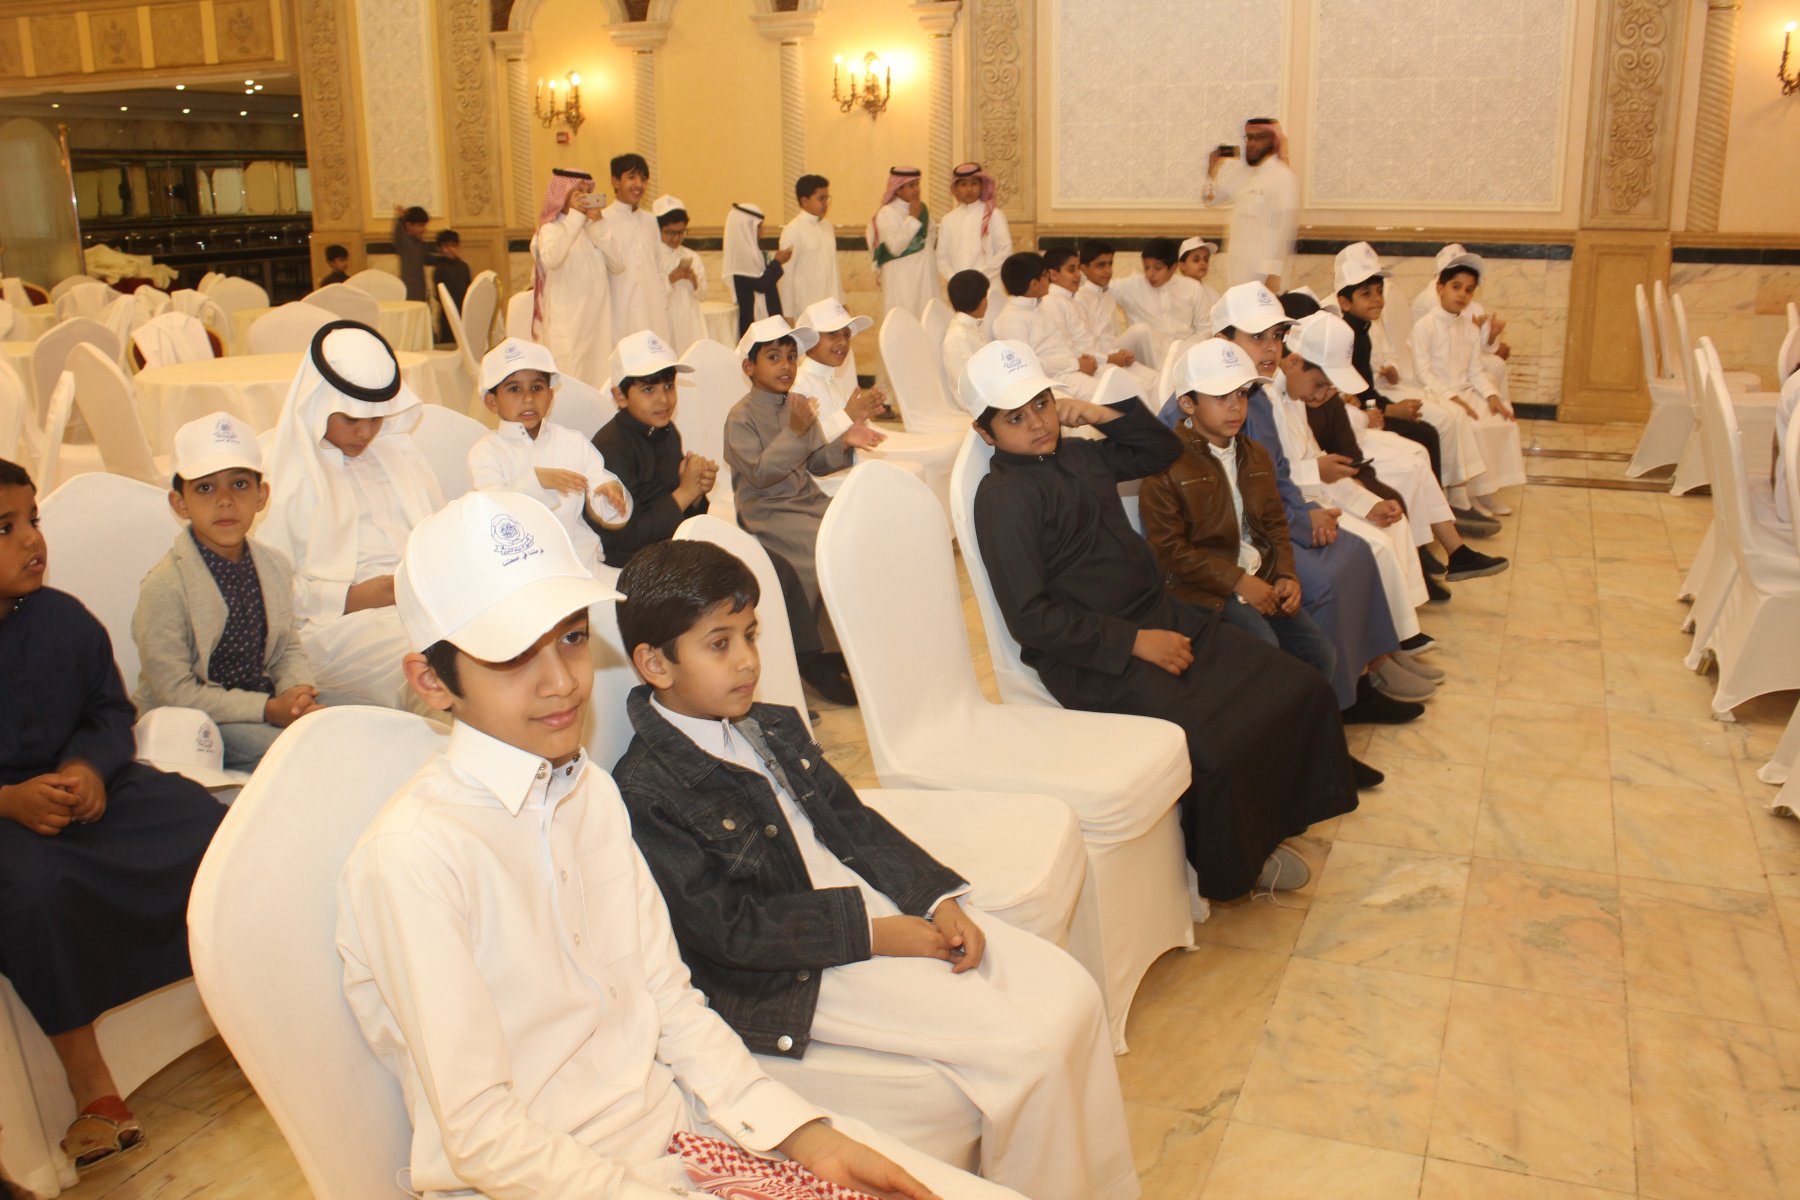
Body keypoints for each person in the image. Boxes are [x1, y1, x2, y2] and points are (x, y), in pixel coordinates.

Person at [338, 488, 1014, 1200]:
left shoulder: (588, 793)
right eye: (512, 656)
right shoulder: (416, 858)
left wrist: (806, 1138)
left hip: (677, 1132)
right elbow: (482, 1136)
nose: (561, 680)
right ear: (431, 680)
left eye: (571, 638)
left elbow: (668, 1001)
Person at [612, 539, 1138, 1200]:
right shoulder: (646, 790)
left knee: (1072, 993)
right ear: (655, 663)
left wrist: (935, 899)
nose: (747, 659)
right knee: (1025, 1054)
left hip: (872, 911)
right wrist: (878, 935)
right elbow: (731, 931)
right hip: (805, 969)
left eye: (750, 635)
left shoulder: (769, 725)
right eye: (719, 644)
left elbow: (853, 821)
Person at [961, 339, 1361, 898]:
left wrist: (1098, 414)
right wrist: (1134, 642)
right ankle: (1234, 865)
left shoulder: (1078, 455)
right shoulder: (1002, 499)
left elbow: (1159, 450)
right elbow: (1031, 619)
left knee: (1297, 686)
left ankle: (1270, 823)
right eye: (1015, 418)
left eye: (1043, 405)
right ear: (985, 433)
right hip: (1097, 657)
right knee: (1218, 745)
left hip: (1163, 615)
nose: (1038, 424)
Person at [0, 457, 225, 1172]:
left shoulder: (61, 617)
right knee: (34, 893)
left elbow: (107, 712)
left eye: (33, 519)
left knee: (205, 827)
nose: (31, 540)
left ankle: (243, 1007)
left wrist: (88, 770)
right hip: (6, 820)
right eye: (5, 528)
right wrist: (8, 799)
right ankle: (93, 1088)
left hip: (86, 792)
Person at [1215, 285, 1437, 707]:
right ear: (1222, 340)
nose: (1271, 348)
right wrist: (1299, 525)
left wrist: (1305, 517)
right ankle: (1348, 689)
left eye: (1277, 336)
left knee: (1358, 553)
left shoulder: (1259, 396)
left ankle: (1369, 669)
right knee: (1332, 576)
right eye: (1257, 337)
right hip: (1246, 537)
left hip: (1282, 516)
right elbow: (1239, 493)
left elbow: (1279, 475)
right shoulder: (1221, 400)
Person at [259, 321, 445, 715]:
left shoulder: (397, 451)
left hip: (427, 600)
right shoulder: (280, 473)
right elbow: (267, 589)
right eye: (350, 419)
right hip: (336, 625)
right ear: (318, 405)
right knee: (446, 665)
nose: (365, 432)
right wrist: (353, 597)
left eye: (375, 419)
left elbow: (441, 532)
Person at [1139, 339, 1338, 686]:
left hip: (1256, 577)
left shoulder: (1254, 454)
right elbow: (1169, 550)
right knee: (1266, 651)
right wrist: (1238, 580)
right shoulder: (1165, 463)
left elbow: (1274, 523)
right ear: (1187, 403)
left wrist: (1285, 574)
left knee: (1320, 655)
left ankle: (1300, 717)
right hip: (1200, 590)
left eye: (1242, 394)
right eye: (1221, 396)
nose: (1235, 406)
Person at [132, 412, 318, 772]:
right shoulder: (164, 586)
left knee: (360, 719)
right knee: (300, 754)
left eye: (240, 484)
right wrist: (269, 710)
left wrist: (297, 695)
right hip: (198, 719)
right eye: (205, 488)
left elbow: (287, 648)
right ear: (180, 503)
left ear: (261, 495)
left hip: (267, 701)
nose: (225, 500)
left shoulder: (274, 565)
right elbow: (175, 691)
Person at [723, 315, 878, 706]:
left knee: (852, 538)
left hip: (806, 499)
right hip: (767, 511)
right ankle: (811, 656)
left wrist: (845, 443)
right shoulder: (740, 417)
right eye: (774, 357)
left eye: (791, 357)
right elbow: (760, 474)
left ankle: (842, 641)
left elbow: (817, 463)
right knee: (814, 553)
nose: (786, 366)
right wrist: (794, 431)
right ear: (749, 367)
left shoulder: (797, 405)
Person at [469, 338, 631, 570]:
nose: (528, 398)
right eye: (514, 389)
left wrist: (611, 495)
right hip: (522, 568)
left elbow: (603, 490)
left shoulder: (572, 441)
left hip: (582, 561)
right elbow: (499, 517)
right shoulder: (485, 453)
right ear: (492, 402)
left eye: (537, 388)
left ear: (550, 396)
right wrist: (537, 482)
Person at [1409, 249, 1526, 519]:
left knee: (1500, 419)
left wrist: (1492, 396)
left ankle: (1485, 490)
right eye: (1456, 287)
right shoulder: (1424, 326)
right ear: (1440, 288)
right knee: (1471, 425)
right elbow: (1423, 373)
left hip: (1465, 391)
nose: (1462, 294)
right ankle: (1463, 495)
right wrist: (1453, 398)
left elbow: (1475, 371)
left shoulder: (1469, 328)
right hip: (1434, 394)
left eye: (1469, 290)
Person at [591, 330, 715, 568]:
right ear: (620, 396)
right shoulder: (611, 448)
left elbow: (682, 514)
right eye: (649, 389)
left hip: (673, 547)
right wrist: (685, 492)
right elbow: (626, 536)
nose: (664, 399)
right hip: (634, 564)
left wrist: (697, 490)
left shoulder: (666, 431)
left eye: (668, 386)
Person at [1331, 242, 1446, 485]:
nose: (1377, 299)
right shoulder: (1346, 336)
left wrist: (1392, 408)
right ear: (1344, 302)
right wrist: (1391, 410)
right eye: (1366, 294)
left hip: (1367, 410)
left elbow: (1366, 389)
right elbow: (1350, 395)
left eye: (1379, 291)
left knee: (1427, 432)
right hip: (1352, 420)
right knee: (1425, 435)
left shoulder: (1362, 331)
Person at [530, 167, 622, 391]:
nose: (584, 197)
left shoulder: (594, 228)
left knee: (600, 378)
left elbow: (618, 264)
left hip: (598, 324)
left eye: (587, 192)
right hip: (569, 323)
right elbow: (553, 259)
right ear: (562, 195)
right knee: (572, 380)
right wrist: (575, 218)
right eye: (577, 192)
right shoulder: (550, 229)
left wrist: (598, 225)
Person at [1042, 245, 1157, 393]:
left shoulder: (1071, 300)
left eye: (1078, 269)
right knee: (1140, 388)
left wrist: (1117, 354)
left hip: (1098, 359)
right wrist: (1109, 359)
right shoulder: (1052, 302)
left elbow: (1094, 342)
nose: (1078, 274)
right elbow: (1070, 350)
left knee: (1155, 380)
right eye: (1072, 270)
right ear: (1053, 274)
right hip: (1081, 366)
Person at [1203, 117, 1300, 291]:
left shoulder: (1283, 177)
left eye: (1259, 138)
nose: (1252, 144)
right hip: (1238, 270)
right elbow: (1211, 200)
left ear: (1273, 141)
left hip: (1264, 278)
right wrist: (1212, 170)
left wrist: (1273, 274)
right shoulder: (1245, 175)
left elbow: (1283, 230)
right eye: (1249, 138)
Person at [992, 251, 1099, 402]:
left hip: (1072, 371)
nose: (1048, 278)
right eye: (1044, 275)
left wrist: (1081, 360)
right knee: (1109, 396)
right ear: (1034, 284)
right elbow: (1025, 367)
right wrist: (1075, 364)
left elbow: (1065, 343)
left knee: (1121, 387)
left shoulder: (1042, 304)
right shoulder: (1010, 320)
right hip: (1051, 382)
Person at [601, 153, 673, 344]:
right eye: (632, 177)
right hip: (619, 311)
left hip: (652, 309)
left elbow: (658, 265)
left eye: (643, 179)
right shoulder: (602, 220)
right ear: (615, 181)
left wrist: (663, 297)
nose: (639, 184)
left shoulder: (650, 220)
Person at [1110, 238, 1205, 369]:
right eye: (1146, 267)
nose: (1150, 274)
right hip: (1142, 358)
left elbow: (1204, 329)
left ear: (1173, 268)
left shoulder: (1193, 288)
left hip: (1182, 355)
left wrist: (1184, 349)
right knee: (1141, 331)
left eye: (1157, 268)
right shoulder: (1132, 286)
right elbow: (1097, 286)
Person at [934, 162, 1013, 302]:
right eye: (963, 184)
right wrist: (955, 279)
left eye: (974, 184)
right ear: (956, 188)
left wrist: (979, 277)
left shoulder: (994, 215)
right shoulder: (948, 220)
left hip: (989, 287)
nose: (969, 189)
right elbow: (942, 258)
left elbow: (1005, 251)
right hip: (959, 290)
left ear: (982, 186)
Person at [869, 166, 936, 319]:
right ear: (898, 189)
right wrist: (912, 218)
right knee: (903, 320)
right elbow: (895, 247)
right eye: (911, 185)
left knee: (927, 319)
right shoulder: (887, 213)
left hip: (925, 277)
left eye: (917, 184)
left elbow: (930, 237)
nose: (917, 189)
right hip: (901, 280)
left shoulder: (922, 208)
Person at [777, 173, 843, 316]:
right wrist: (787, 314)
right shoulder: (793, 230)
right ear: (804, 201)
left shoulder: (827, 226)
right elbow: (786, 276)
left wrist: (842, 302)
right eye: (821, 198)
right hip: (805, 308)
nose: (825, 203)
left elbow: (833, 268)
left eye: (827, 198)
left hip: (830, 306)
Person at [651, 195, 707, 353]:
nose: (676, 238)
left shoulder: (692, 256)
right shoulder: (652, 257)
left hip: (690, 320)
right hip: (666, 320)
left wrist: (694, 280)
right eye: (670, 233)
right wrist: (670, 279)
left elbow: (703, 295)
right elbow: (649, 296)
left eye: (681, 232)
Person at [724, 202, 788, 337]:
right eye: (758, 227)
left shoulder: (751, 252)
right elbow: (761, 284)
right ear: (745, 228)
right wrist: (777, 262)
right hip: (753, 320)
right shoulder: (741, 255)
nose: (762, 232)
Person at [943, 269, 992, 390]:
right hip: (979, 397)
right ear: (982, 301)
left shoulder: (972, 326)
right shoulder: (958, 338)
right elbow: (968, 386)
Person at [430, 229, 470, 346]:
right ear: (439, 248)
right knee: (449, 338)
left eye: (453, 245)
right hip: (447, 310)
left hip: (463, 307)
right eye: (446, 246)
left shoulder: (464, 266)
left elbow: (468, 286)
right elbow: (438, 292)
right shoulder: (439, 268)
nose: (450, 249)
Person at [1174, 236, 1221, 333]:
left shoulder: (1213, 294)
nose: (1202, 263)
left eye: (1206, 259)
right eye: (1196, 260)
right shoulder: (1174, 291)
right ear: (1182, 265)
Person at [390, 204, 431, 303]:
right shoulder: (403, 241)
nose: (423, 229)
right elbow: (397, 232)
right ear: (408, 225)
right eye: (420, 225)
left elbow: (426, 258)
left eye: (424, 225)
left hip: (421, 288)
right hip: (409, 289)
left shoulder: (420, 243)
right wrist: (400, 218)